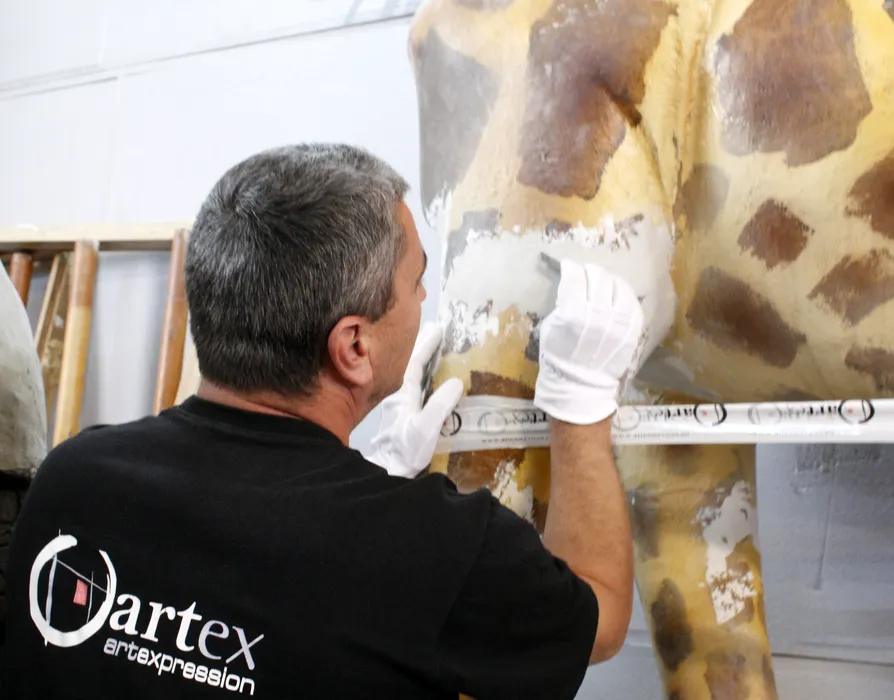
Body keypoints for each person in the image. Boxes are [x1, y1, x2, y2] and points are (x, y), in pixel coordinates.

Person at [0, 143, 645, 699]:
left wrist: (375, 481)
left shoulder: (72, 481)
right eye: (418, 282)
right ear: (354, 347)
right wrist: (581, 406)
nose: (425, 299)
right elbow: (602, 614)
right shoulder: (436, 551)